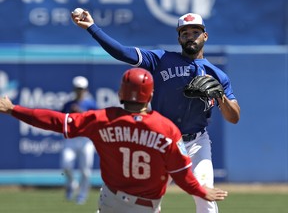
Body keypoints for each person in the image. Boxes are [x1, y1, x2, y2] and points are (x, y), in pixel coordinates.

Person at [72, 11, 240, 213]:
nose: (190, 36)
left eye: (195, 32)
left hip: (197, 143)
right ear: (179, 38)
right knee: (143, 198)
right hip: (163, 141)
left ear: (205, 36)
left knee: (206, 199)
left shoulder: (217, 75)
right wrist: (93, 28)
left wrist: (220, 96)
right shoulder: (161, 59)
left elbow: (234, 117)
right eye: (184, 33)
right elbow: (123, 52)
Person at [0, 68, 228, 213]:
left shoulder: (102, 120)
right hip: (146, 208)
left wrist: (14, 109)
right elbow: (182, 174)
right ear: (150, 96)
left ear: (120, 93)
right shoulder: (167, 129)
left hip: (110, 202)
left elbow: (56, 121)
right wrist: (200, 191)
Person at [61, 76, 98, 204]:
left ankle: (83, 194)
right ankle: (72, 184)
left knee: (86, 170)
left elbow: (96, 121)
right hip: (71, 139)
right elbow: (61, 120)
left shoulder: (91, 104)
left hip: (86, 140)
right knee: (66, 165)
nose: (79, 91)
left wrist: (81, 112)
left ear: (86, 89)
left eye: (81, 89)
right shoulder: (68, 104)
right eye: (77, 88)